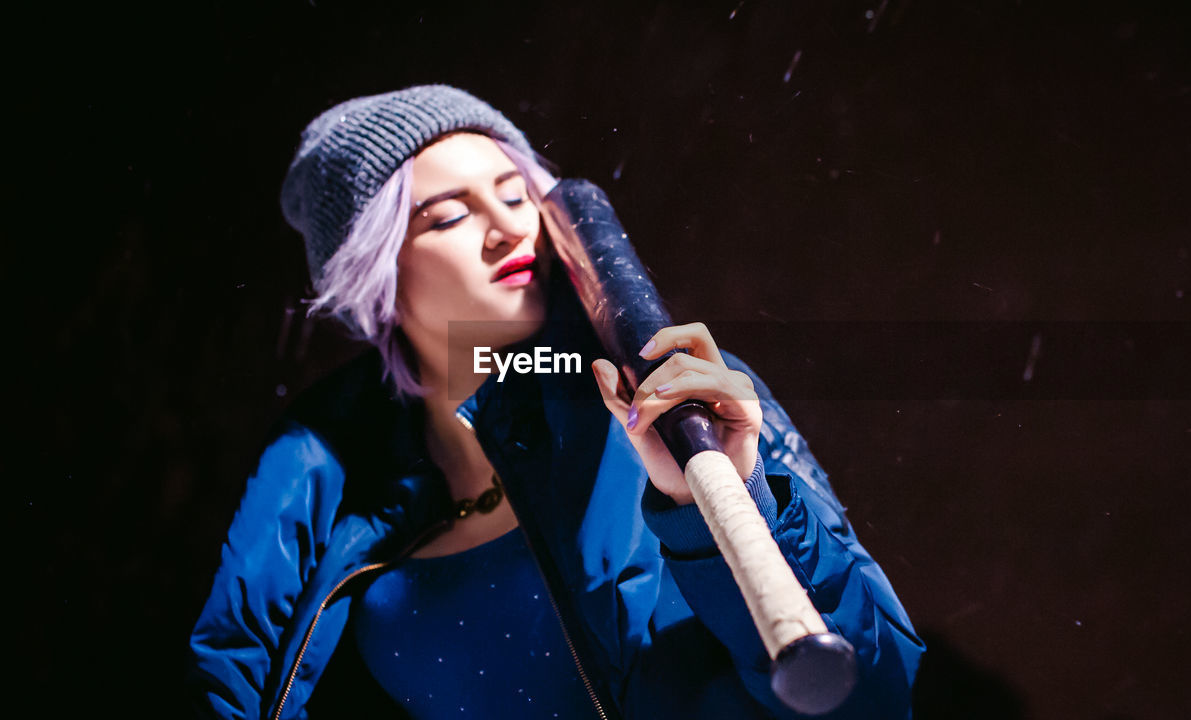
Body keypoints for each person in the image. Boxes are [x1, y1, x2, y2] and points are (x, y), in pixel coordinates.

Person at [188, 84, 925, 720]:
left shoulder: (681, 396)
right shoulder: (318, 484)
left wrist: (736, 498)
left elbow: (871, 699)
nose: (512, 226)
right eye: (448, 216)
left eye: (517, 194)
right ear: (376, 274)